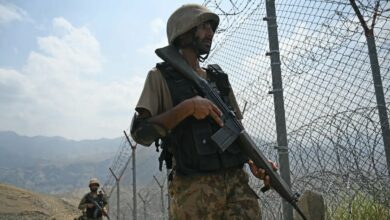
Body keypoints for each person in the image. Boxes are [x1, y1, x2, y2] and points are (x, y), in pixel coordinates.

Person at [131, 4, 277, 219]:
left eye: (211, 27)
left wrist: (252, 159)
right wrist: (187, 107)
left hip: (237, 185)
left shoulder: (218, 78)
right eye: (203, 26)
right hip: (194, 189)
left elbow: (234, 128)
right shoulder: (160, 77)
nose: (210, 33)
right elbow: (141, 133)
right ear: (183, 33)